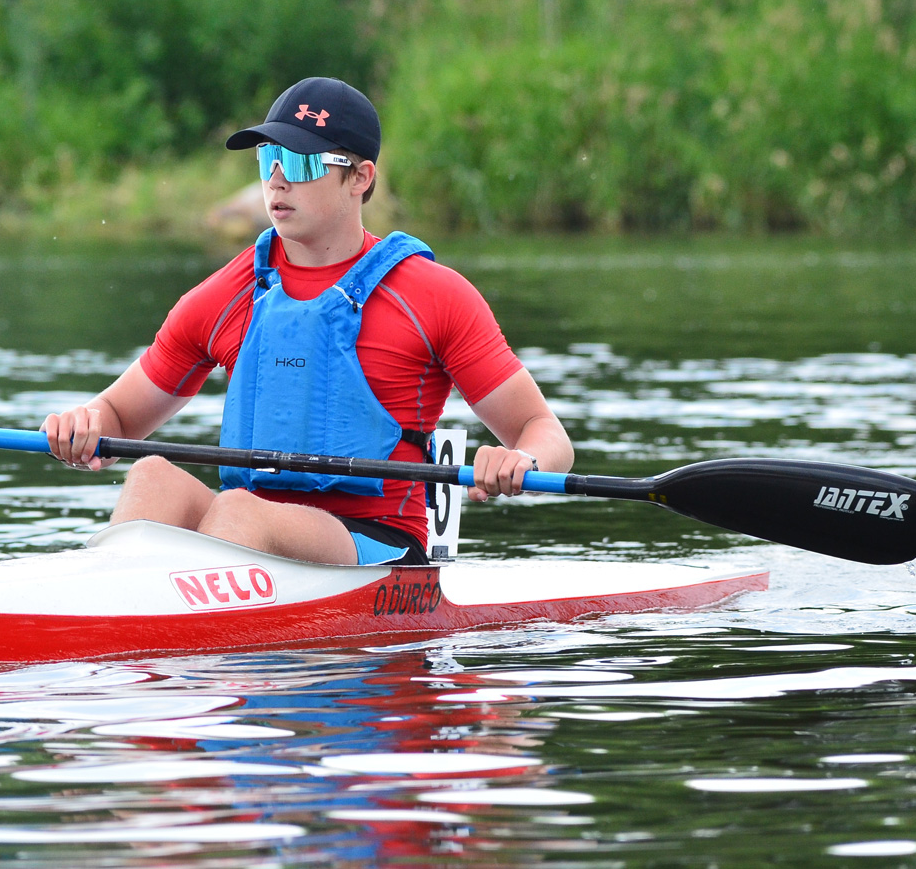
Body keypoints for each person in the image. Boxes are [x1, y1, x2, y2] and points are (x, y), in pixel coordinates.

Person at [43, 76, 572, 566]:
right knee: (152, 475)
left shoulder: (434, 296)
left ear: (359, 177)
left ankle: (176, 628)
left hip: (378, 546)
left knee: (238, 509)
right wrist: (84, 424)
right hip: (247, 527)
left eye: (299, 163)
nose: (276, 181)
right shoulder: (226, 294)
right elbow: (118, 416)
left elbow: (546, 434)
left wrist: (520, 461)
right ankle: (112, 621)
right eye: (268, 159)